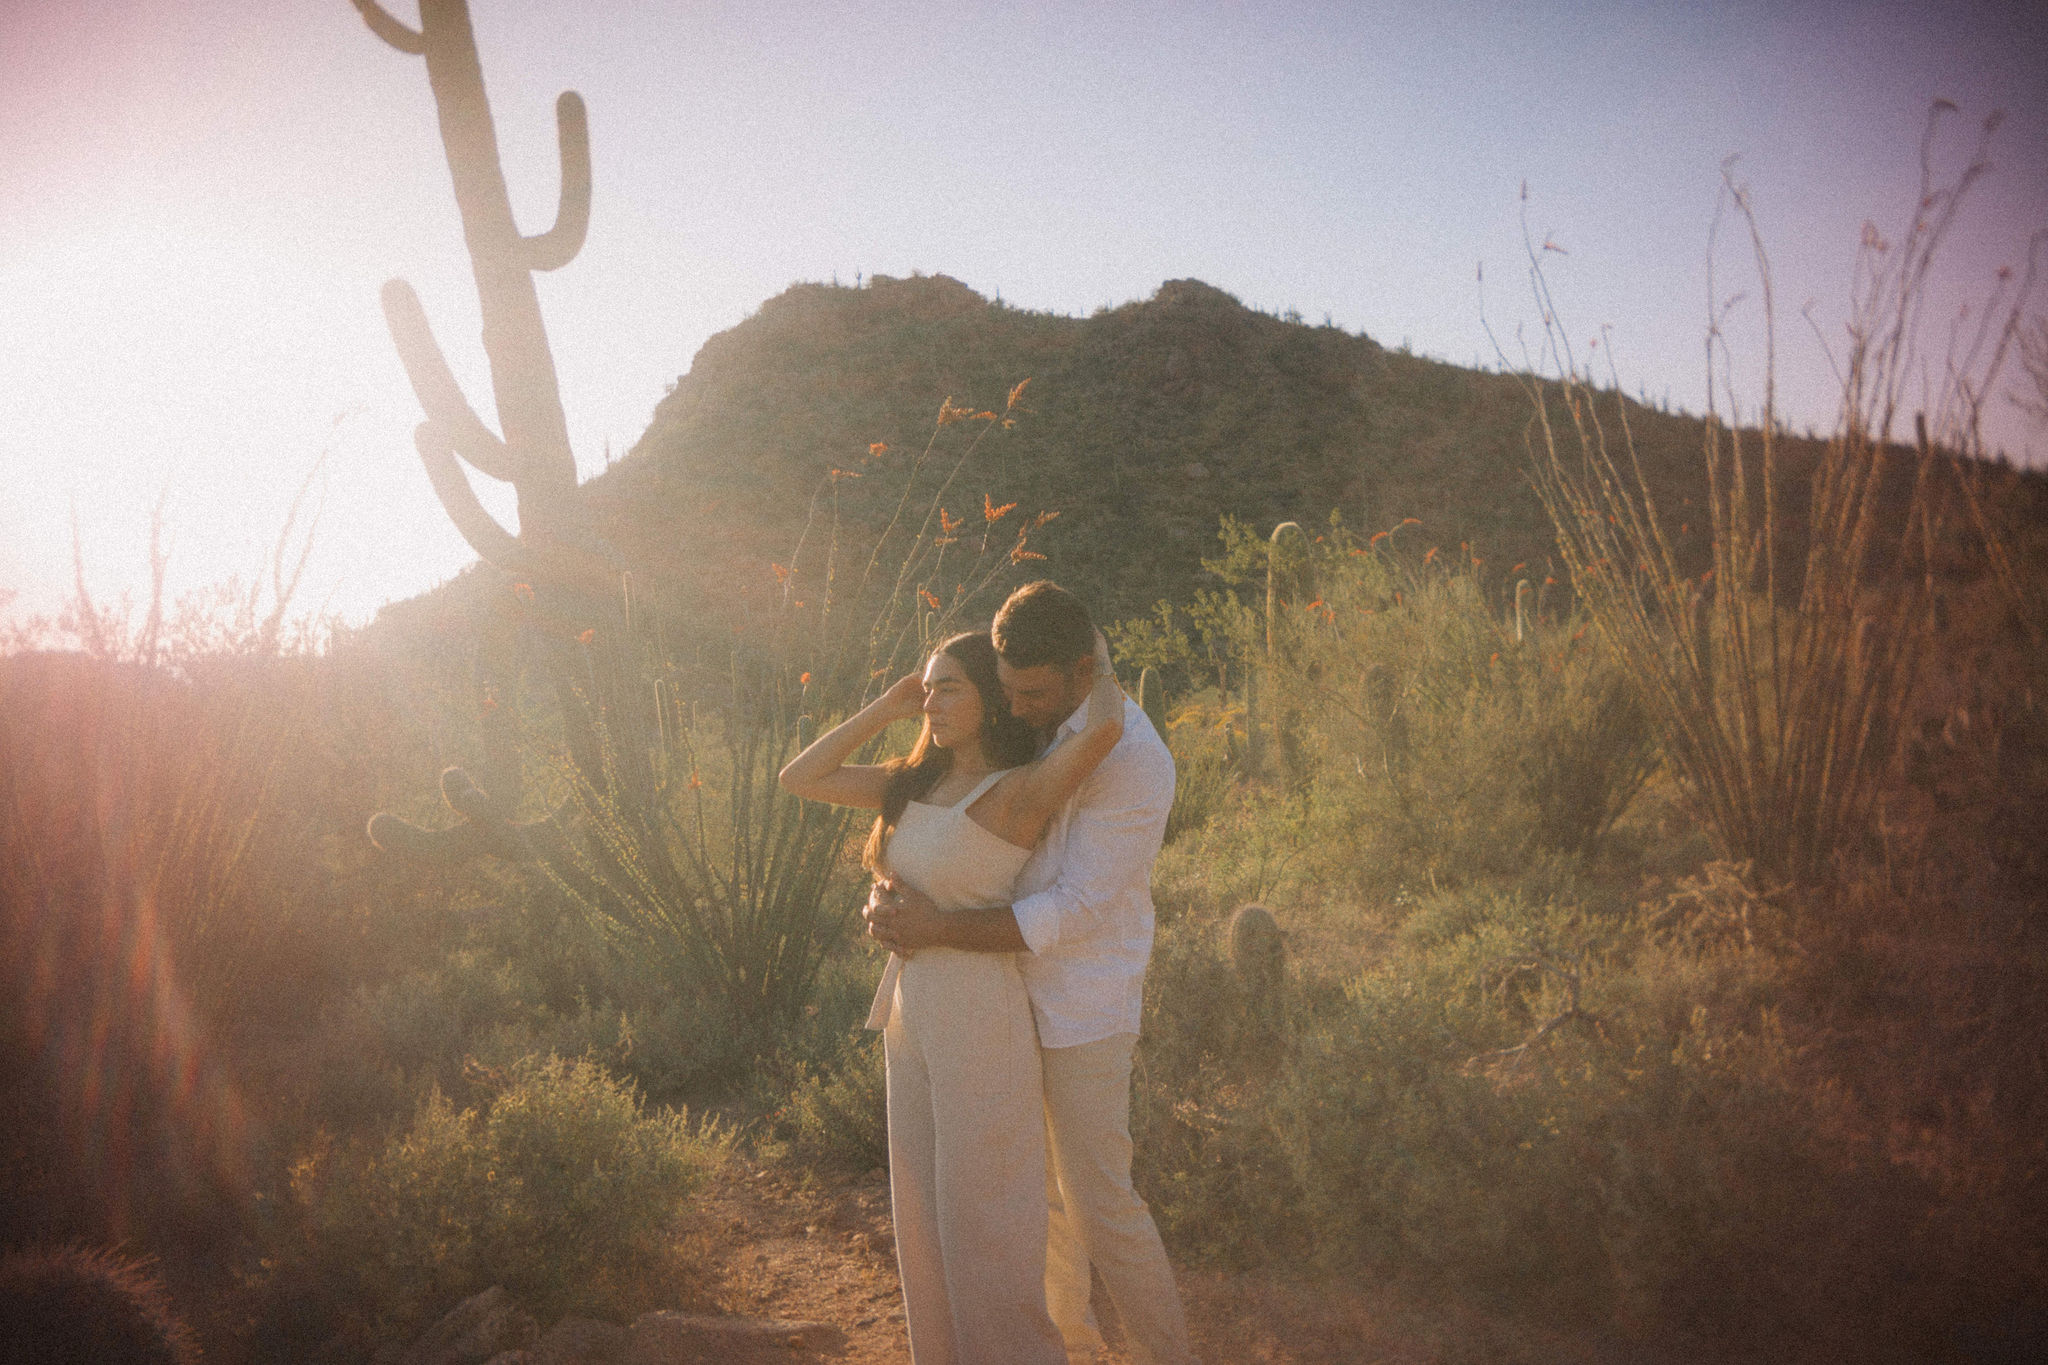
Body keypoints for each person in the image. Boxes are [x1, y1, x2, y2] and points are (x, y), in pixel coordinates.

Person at [868, 582, 1195, 1365]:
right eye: (1006, 691)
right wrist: (900, 895)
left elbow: (1075, 908)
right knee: (1033, 1207)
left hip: (1083, 1004)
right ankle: (1069, 1348)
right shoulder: (1029, 720)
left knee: (1098, 1204)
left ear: (1084, 670)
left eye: (1032, 692)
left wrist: (938, 925)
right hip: (1000, 995)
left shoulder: (1138, 759)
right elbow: (965, 832)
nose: (1014, 708)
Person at [778, 627, 1125, 1365]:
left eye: (949, 686)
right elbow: (799, 777)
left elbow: (1104, 730)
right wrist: (888, 704)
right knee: (924, 1219)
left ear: (991, 698)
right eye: (927, 685)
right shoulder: (913, 783)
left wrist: (1086, 644)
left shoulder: (1017, 790)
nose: (932, 698)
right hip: (912, 1014)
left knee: (986, 1219)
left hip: (982, 1013)